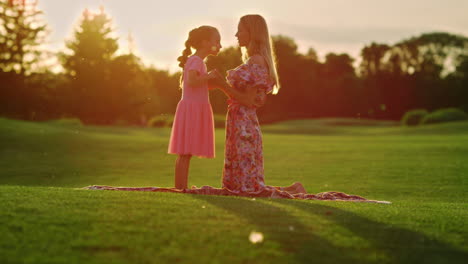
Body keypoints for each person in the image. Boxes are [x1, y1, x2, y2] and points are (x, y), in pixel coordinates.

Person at [213, 14, 307, 194]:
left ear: (252, 32)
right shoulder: (254, 60)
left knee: (246, 187)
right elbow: (257, 99)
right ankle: (294, 189)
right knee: (242, 185)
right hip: (240, 122)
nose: (236, 34)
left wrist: (221, 84)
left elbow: (249, 100)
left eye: (240, 30)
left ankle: (293, 190)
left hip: (244, 124)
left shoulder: (256, 61)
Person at [168, 25, 222, 189]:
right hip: (192, 109)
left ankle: (180, 187)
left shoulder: (196, 61)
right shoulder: (196, 60)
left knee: (185, 153)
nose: (220, 46)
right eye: (217, 42)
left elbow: (196, 85)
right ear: (205, 42)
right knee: (185, 153)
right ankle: (180, 188)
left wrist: (213, 82)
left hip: (193, 107)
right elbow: (191, 81)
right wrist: (210, 76)